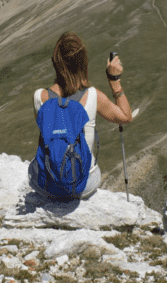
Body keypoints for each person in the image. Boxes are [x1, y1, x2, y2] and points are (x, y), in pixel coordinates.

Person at [28, 31, 132, 200]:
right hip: (83, 185)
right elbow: (126, 117)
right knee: (92, 168)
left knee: (34, 165)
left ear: (56, 63)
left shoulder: (39, 97)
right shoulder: (92, 95)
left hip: (48, 186)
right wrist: (114, 79)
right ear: (83, 63)